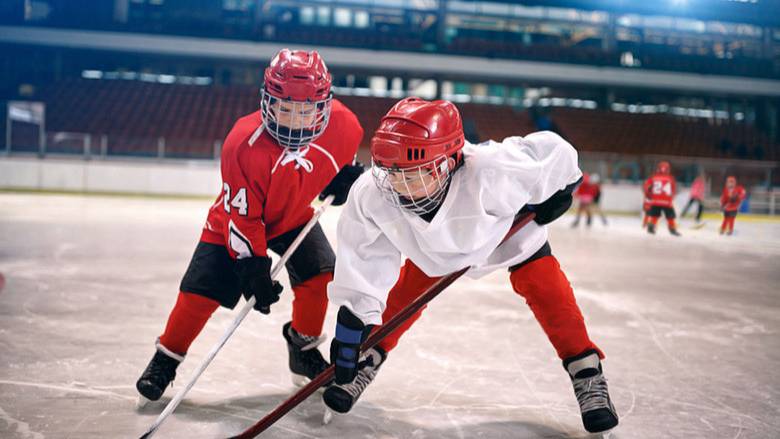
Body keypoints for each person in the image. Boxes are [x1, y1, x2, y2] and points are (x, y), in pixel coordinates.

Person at [323, 98, 618, 434]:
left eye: (413, 174)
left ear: (448, 163)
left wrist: (564, 187)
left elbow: (557, 152)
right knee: (404, 294)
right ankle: (368, 358)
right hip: (433, 250)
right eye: (392, 172)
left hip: (503, 233)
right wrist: (352, 327)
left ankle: (586, 371)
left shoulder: (494, 169)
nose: (399, 186)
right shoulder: (373, 193)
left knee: (546, 286)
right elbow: (364, 258)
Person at [135, 49, 364, 403]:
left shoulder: (346, 126)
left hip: (292, 216)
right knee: (200, 292)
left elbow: (338, 162)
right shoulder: (243, 143)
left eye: (304, 111)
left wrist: (341, 178)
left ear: (323, 106)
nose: (294, 121)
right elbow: (244, 217)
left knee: (321, 276)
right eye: (284, 109)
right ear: (267, 102)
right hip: (235, 221)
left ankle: (301, 349)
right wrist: (252, 265)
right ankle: (166, 357)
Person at [643, 161, 681, 236]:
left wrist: (649, 195)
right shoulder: (670, 178)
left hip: (655, 200)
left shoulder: (653, 177)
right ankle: (672, 229)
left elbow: (646, 187)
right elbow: (673, 190)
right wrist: (671, 198)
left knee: (655, 215)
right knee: (670, 216)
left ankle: (651, 226)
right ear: (667, 169)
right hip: (666, 202)